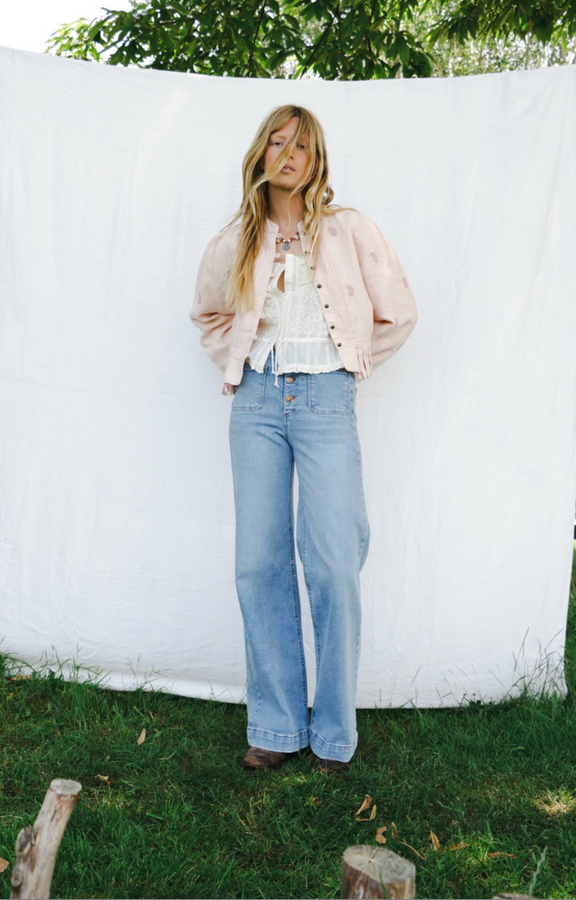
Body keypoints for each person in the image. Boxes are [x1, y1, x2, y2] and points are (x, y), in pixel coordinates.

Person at [191, 105, 417, 773]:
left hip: (325, 400)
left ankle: (335, 734)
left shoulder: (350, 230)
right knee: (259, 564)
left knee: (332, 563)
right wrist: (238, 356)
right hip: (256, 404)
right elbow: (207, 313)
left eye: (301, 146)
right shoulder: (237, 238)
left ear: (316, 160)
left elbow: (398, 312)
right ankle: (278, 726)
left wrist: (350, 359)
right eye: (276, 143)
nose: (287, 154)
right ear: (260, 156)